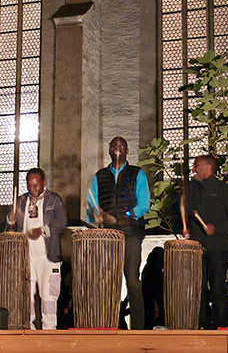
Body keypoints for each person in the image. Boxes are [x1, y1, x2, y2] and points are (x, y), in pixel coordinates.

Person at [86, 136, 150, 330]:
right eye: (114, 146)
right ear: (109, 150)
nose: (117, 149)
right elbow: (92, 207)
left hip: (131, 234)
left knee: (132, 279)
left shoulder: (137, 173)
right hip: (108, 237)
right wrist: (96, 217)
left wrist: (129, 214)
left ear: (127, 151)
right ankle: (112, 324)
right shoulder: (99, 176)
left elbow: (144, 203)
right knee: (109, 282)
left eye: (121, 146)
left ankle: (138, 328)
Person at [185, 154, 228, 329]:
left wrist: (215, 228)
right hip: (196, 248)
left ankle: (220, 328)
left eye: (197, 166)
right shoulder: (191, 190)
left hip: (218, 248)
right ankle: (201, 325)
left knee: (217, 289)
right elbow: (184, 210)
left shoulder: (224, 190)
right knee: (198, 290)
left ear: (208, 168)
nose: (194, 169)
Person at [6, 167, 67, 329]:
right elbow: (9, 230)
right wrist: (11, 221)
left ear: (43, 182)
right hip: (27, 257)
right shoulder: (20, 201)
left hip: (49, 257)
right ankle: (28, 330)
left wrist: (42, 230)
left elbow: (62, 223)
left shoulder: (54, 200)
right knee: (27, 297)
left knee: (48, 296)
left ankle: (49, 330)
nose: (33, 188)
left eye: (36, 185)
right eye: (29, 185)